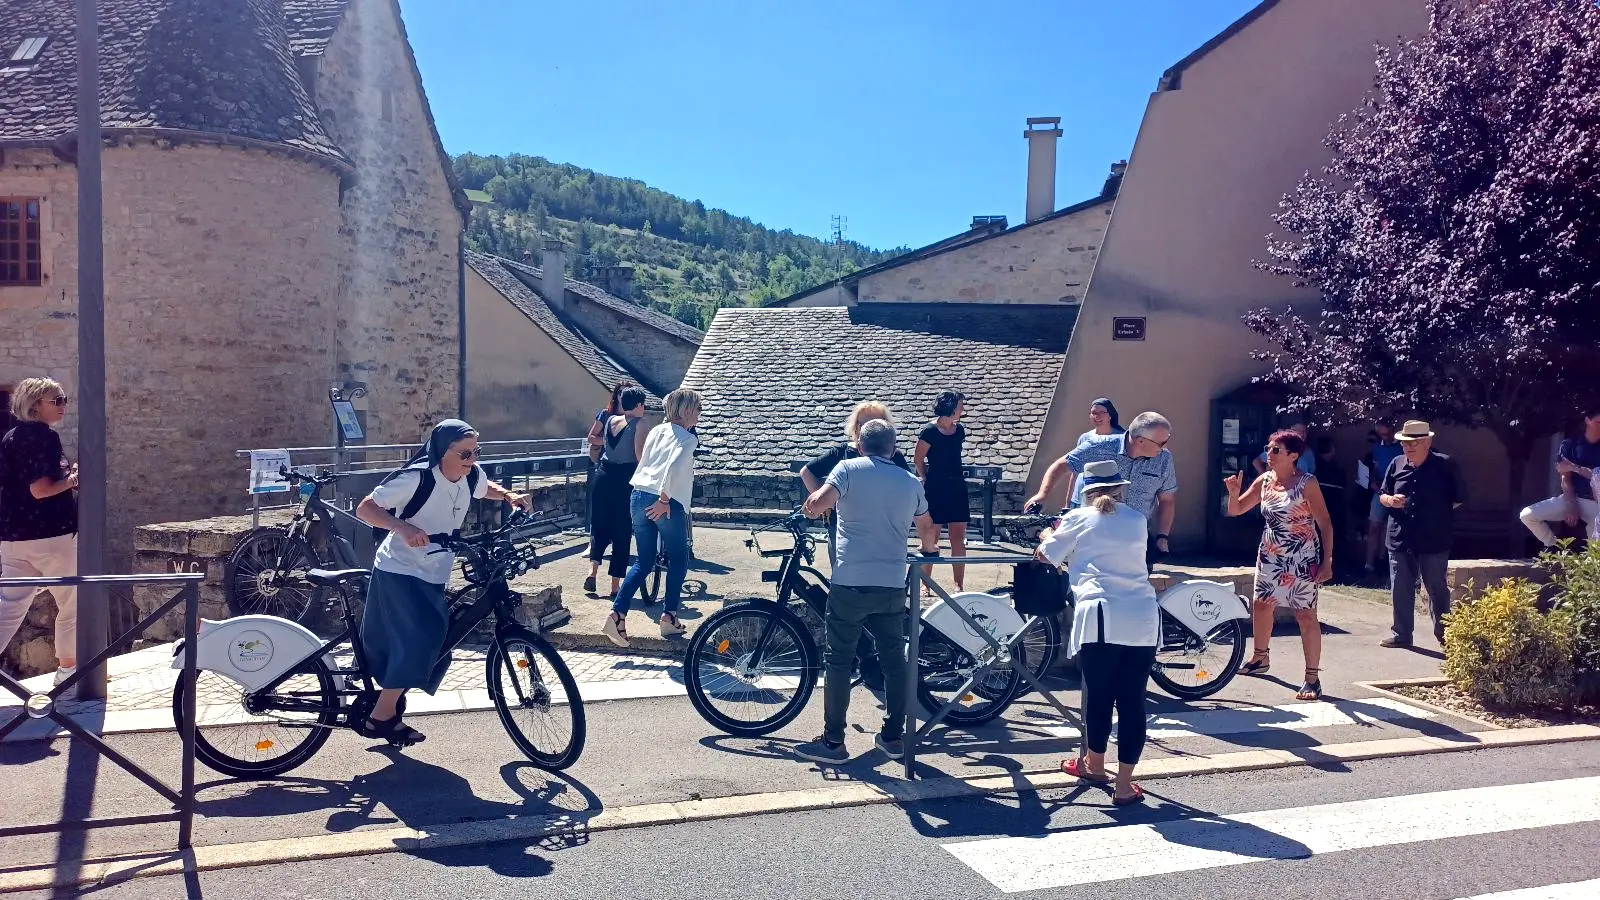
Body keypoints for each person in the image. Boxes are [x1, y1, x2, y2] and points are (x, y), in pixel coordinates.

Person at [353, 419, 531, 746]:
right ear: (442, 452)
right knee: (422, 638)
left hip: (435, 571)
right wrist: (402, 528)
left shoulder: (469, 475)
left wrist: (508, 495)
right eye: (465, 453)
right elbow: (365, 508)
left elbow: (485, 488)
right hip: (399, 570)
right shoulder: (417, 478)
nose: (472, 460)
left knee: (439, 642)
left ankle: (389, 707)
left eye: (476, 452)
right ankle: (381, 716)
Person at [794, 420, 933, 763]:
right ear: (894, 449)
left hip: (851, 581)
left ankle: (834, 742)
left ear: (859, 446)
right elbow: (928, 529)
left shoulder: (847, 469)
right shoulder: (910, 482)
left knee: (839, 660)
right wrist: (928, 554)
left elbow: (819, 501)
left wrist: (810, 507)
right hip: (891, 583)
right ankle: (892, 737)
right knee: (894, 660)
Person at [1035, 459, 1159, 806]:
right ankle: (1124, 785)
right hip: (1142, 615)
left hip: (1101, 614)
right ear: (1119, 489)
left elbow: (1045, 556)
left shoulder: (1078, 517)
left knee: (1100, 696)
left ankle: (1095, 765)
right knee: (1132, 701)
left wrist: (1048, 535)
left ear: (1085, 490)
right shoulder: (1137, 519)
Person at [1224, 430, 1335, 701]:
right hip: (1270, 553)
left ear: (1293, 456)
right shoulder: (1265, 480)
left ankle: (1312, 678)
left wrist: (1327, 561)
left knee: (1305, 614)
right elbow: (1236, 510)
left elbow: (1325, 523)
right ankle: (1259, 658)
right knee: (1262, 605)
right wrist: (1234, 493)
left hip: (1302, 556)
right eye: (1268, 448)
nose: (1269, 454)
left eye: (1275, 450)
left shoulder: (1307, 483)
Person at [604, 388, 702, 647]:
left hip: (638, 494)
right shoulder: (688, 438)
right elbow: (675, 466)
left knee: (644, 561)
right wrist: (664, 499)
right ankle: (669, 616)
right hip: (665, 500)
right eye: (698, 409)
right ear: (687, 410)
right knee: (679, 557)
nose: (699, 414)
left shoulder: (657, 431)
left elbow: (645, 461)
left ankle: (617, 614)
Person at [0, 378, 79, 686]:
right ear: (35, 405)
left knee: (9, 606)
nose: (63, 406)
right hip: (51, 534)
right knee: (72, 601)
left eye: (64, 399)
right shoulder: (45, 437)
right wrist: (72, 480)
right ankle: (69, 672)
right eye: (56, 401)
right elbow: (41, 489)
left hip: (12, 536)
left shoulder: (10, 437)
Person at [1378, 420, 1468, 648]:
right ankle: (1402, 635)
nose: (1408, 447)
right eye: (1404, 443)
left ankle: (1446, 637)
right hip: (1400, 537)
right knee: (1401, 589)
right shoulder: (1396, 464)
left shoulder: (1445, 465)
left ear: (1427, 442)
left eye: (1414, 443)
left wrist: (1437, 513)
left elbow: (1459, 498)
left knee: (1437, 589)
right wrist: (1390, 500)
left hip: (1434, 538)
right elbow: (1382, 495)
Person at [1058, 412, 1179, 571]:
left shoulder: (1164, 458)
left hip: (1136, 538)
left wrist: (1162, 537)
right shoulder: (1101, 446)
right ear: (1140, 441)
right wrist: (1042, 495)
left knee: (1136, 579)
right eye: (1161, 443)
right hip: (1097, 534)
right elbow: (1062, 465)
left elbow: (1167, 500)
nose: (1165, 447)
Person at [800, 401, 910, 569]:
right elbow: (806, 472)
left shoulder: (895, 456)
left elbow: (908, 488)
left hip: (881, 527)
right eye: (864, 423)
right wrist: (825, 502)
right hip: (842, 528)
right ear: (856, 427)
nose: (870, 428)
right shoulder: (842, 452)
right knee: (841, 573)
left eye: (876, 423)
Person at [585, 387, 647, 598]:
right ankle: (614, 585)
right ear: (638, 405)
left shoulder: (611, 420)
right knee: (622, 530)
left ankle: (593, 571)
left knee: (599, 525)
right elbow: (639, 456)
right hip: (624, 478)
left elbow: (601, 442)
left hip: (603, 475)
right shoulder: (639, 423)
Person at [1519, 405, 1600, 550]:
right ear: (1587, 420)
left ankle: (1592, 559)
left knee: (1595, 539)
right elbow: (1565, 477)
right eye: (1598, 422)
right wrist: (1570, 503)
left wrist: (1575, 468)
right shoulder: (1569, 445)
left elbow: (1597, 475)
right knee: (1527, 515)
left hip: (1596, 503)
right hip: (1573, 497)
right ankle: (1554, 547)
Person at [1026, 398, 1123, 513]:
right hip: (1080, 493)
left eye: (1101, 413)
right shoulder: (1085, 438)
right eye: (1093, 413)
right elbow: (1074, 470)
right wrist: (1068, 501)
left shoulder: (1120, 438)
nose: (1097, 416)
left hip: (1104, 496)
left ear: (1110, 415)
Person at [915, 391, 969, 593]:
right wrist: (925, 477)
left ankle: (958, 584)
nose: (963, 409)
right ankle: (925, 584)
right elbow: (918, 459)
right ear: (951, 408)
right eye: (960, 406)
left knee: (958, 537)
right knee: (932, 536)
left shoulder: (959, 430)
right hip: (936, 487)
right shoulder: (929, 431)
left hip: (957, 486)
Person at [1361, 421, 1404, 581]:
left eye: (1387, 434)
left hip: (1398, 492)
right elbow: (1374, 469)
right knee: (1374, 527)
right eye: (1381, 434)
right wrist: (1372, 481)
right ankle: (1369, 566)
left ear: (1393, 430)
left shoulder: (1401, 446)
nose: (1385, 437)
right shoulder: (1376, 448)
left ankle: (1386, 564)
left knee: (1391, 528)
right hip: (1380, 491)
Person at [1252, 422, 1316, 476]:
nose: (1303, 434)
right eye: (1299, 431)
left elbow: (1311, 472)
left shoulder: (1306, 456)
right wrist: (1265, 477)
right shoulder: (1276, 449)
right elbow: (1256, 461)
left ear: (1294, 456)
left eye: (1305, 432)